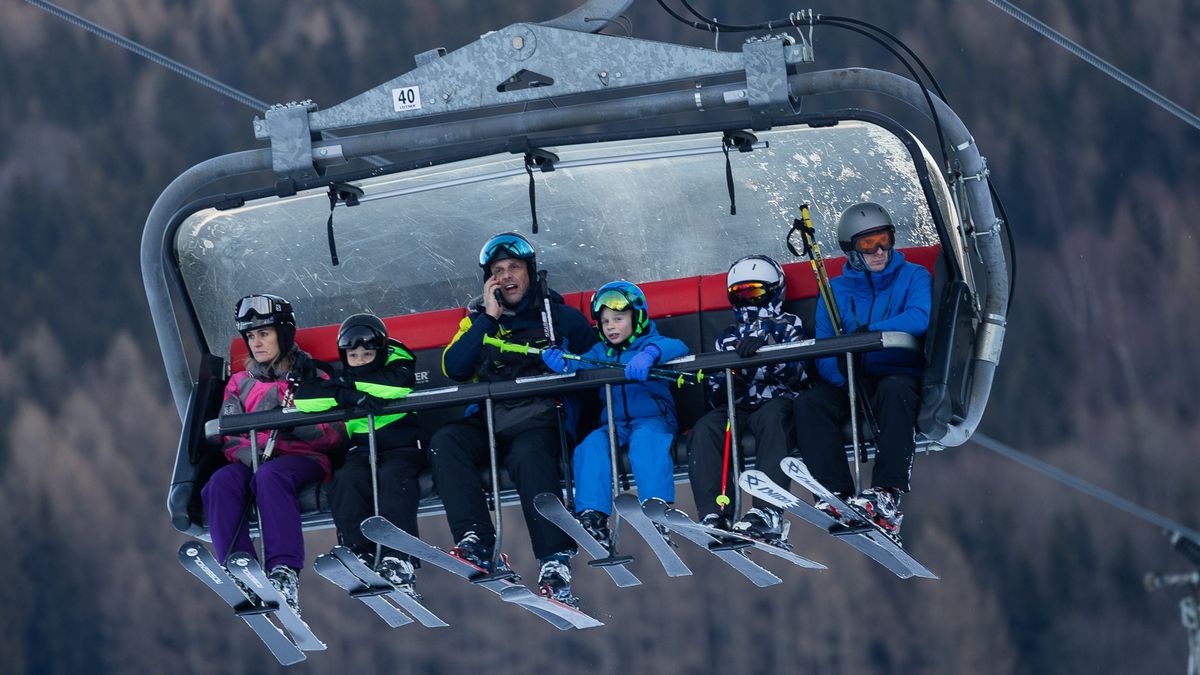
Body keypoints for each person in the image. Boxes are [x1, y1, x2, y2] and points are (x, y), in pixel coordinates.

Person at [431, 232, 597, 604]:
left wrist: (571, 368)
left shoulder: (562, 319)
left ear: (530, 272)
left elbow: (595, 365)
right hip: (491, 422)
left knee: (529, 455)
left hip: (539, 418)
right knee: (447, 441)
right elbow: (454, 368)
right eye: (498, 270)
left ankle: (555, 559)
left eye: (514, 268)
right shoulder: (477, 324)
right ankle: (476, 540)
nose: (506, 277)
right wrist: (487, 321)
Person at [202, 294, 346, 616]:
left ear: (283, 334)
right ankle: (241, 568)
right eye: (251, 336)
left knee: (272, 476)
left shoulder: (311, 377)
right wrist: (252, 455)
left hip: (302, 460)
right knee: (221, 482)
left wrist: (296, 422)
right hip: (254, 461)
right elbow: (228, 435)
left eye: (264, 334)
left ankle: (283, 572)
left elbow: (335, 433)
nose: (256, 343)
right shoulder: (240, 384)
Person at [794, 202, 931, 536]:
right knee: (809, 405)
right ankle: (835, 493)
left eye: (884, 240)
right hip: (852, 380)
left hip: (897, 372)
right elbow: (824, 347)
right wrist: (844, 380)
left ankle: (886, 491)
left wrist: (870, 332)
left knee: (894, 390)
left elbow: (918, 317)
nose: (879, 251)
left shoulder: (914, 275)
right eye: (868, 245)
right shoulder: (835, 292)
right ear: (852, 251)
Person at [541, 281, 689, 551]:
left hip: (653, 419)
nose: (610, 327)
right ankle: (592, 516)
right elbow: (580, 361)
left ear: (638, 317)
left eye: (618, 319)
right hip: (615, 423)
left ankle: (656, 511)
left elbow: (676, 346)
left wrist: (649, 356)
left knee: (646, 445)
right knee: (591, 447)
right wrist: (562, 361)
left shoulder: (651, 343)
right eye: (605, 321)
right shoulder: (601, 351)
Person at [294, 313, 424, 599]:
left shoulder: (396, 358)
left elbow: (397, 386)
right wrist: (348, 397)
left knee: (392, 477)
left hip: (400, 446)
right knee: (346, 479)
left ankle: (398, 557)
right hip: (361, 449)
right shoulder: (341, 377)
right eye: (354, 355)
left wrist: (346, 386)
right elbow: (304, 399)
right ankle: (358, 551)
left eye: (368, 353)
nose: (361, 360)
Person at [686, 255, 808, 546]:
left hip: (779, 399)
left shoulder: (789, 325)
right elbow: (717, 389)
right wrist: (736, 375)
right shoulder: (728, 337)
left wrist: (771, 352)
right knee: (707, 428)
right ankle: (715, 513)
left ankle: (767, 511)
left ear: (773, 291)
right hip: (738, 404)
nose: (747, 300)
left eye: (754, 292)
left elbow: (799, 373)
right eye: (740, 294)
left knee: (772, 419)